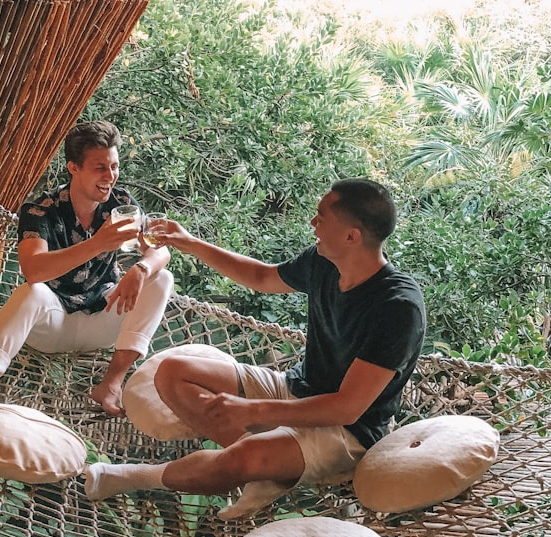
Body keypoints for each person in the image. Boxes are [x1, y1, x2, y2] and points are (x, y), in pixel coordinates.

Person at [84, 177, 425, 518]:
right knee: (173, 372)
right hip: (297, 388)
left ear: (352, 236)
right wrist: (191, 243)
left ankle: (130, 476)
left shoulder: (396, 307)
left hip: (349, 432)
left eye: (321, 217)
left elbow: (346, 408)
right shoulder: (323, 262)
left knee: (239, 460)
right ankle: (266, 472)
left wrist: (255, 411)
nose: (313, 223)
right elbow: (263, 278)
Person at [0, 120, 172, 430]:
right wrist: (97, 243)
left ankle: (111, 383)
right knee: (31, 292)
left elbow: (161, 250)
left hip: (103, 318)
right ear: (74, 167)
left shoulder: (121, 204)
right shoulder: (40, 210)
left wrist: (140, 268)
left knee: (162, 278)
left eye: (114, 166)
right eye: (100, 168)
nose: (110, 177)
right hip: (52, 325)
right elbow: (33, 269)